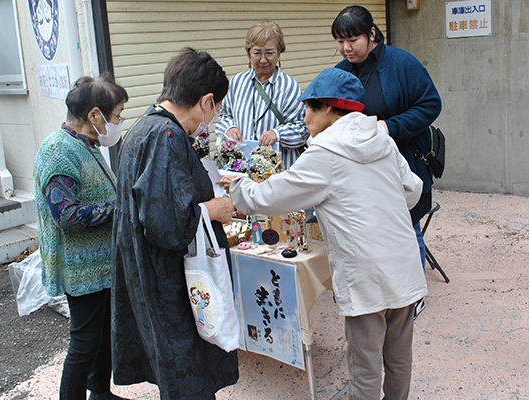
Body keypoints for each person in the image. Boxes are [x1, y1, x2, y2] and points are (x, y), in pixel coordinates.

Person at [219, 68, 428, 400]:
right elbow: (412, 190)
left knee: (365, 364)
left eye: (308, 107)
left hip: (366, 274)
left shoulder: (325, 153)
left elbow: (273, 195)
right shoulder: (381, 139)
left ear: (330, 108)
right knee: (399, 358)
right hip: (403, 263)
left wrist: (239, 185)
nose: (304, 116)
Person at [111, 48, 239, 400]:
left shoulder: (143, 127)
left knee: (175, 372)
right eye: (216, 109)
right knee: (187, 375)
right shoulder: (165, 137)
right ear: (206, 101)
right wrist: (212, 210)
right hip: (168, 282)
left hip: (146, 273)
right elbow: (167, 224)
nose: (213, 117)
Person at [33, 73, 129, 400]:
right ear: (94, 115)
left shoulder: (85, 145)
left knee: (103, 335)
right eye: (116, 115)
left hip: (99, 266)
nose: (118, 122)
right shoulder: (58, 152)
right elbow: (67, 216)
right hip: (80, 270)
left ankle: (100, 393)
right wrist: (120, 206)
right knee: (84, 343)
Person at [332, 5, 442, 270]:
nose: (346, 48)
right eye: (340, 41)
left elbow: (430, 105)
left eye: (353, 40)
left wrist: (390, 127)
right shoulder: (339, 71)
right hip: (360, 169)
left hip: (402, 164)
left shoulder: (401, 63)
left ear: (371, 34)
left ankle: (412, 295)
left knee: (406, 227)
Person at [215, 20, 308, 168]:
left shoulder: (290, 87)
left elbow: (302, 129)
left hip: (279, 171)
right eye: (257, 53)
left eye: (270, 53)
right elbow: (223, 115)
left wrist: (277, 134)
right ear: (249, 53)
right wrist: (229, 129)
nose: (263, 59)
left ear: (279, 53)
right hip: (243, 169)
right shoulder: (236, 82)